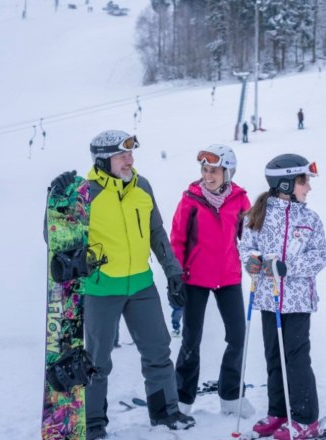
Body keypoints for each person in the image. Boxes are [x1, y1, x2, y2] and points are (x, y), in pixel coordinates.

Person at [48, 130, 195, 439]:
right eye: (121, 155)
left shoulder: (142, 186)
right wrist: (56, 201)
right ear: (103, 161)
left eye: (130, 154)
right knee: (97, 362)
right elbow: (55, 238)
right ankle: (93, 425)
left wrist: (173, 272)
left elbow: (157, 232)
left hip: (141, 285)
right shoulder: (84, 194)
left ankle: (165, 412)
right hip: (102, 288)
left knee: (158, 352)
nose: (130, 160)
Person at [239, 154, 326, 440]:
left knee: (296, 358)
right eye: (304, 181)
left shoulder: (310, 218)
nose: (309, 188)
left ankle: (306, 419)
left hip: (298, 300)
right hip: (268, 298)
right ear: (287, 184)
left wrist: (287, 268)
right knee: (274, 356)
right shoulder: (258, 215)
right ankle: (279, 411)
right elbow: (246, 248)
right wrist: (254, 262)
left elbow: (321, 256)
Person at [170, 144, 255, 418]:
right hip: (195, 279)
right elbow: (178, 240)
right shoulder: (190, 200)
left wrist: (257, 257)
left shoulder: (240, 199)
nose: (208, 175)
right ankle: (182, 400)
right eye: (205, 170)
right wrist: (176, 277)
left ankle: (231, 397)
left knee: (238, 337)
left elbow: (250, 236)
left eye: (214, 170)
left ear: (227, 172)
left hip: (229, 277)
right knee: (191, 341)